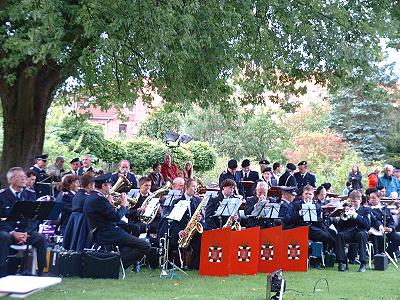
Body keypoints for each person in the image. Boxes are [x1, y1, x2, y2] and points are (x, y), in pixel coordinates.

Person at [83, 173, 151, 269]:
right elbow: (116, 217)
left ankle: (117, 262)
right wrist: (123, 205)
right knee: (145, 246)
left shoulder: (93, 196)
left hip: (104, 230)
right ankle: (116, 265)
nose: (111, 186)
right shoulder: (100, 199)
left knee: (133, 233)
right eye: (109, 185)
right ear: (103, 186)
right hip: (108, 233)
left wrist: (111, 204)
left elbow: (107, 215)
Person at [0, 167, 47, 277]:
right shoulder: (2, 196)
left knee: (40, 238)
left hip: (25, 232)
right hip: (8, 232)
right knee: (4, 237)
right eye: (21, 177)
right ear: (11, 179)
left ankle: (41, 272)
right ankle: (2, 272)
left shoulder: (30, 195)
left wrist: (26, 232)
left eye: (25, 177)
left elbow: (33, 218)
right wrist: (13, 232)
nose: (24, 179)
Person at [168, 178, 203, 270]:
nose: (195, 189)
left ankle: (195, 265)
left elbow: (202, 216)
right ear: (186, 187)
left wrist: (200, 218)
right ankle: (181, 263)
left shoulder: (198, 200)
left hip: (192, 230)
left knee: (202, 236)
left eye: (196, 187)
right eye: (193, 187)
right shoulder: (177, 201)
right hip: (180, 230)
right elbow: (173, 221)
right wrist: (179, 231)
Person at [335, 190, 370, 272]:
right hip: (349, 232)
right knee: (339, 235)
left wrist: (356, 215)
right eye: (351, 201)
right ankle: (341, 263)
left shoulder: (366, 210)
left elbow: (367, 224)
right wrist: (344, 217)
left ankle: (363, 263)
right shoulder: (346, 209)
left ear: (360, 201)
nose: (353, 203)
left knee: (362, 235)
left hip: (360, 231)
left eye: (355, 201)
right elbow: (340, 225)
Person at [293, 185, 335, 250]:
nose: (308, 195)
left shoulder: (317, 206)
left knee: (328, 234)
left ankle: (322, 254)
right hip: (300, 228)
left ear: (313, 195)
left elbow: (320, 221)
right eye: (306, 193)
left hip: (313, 228)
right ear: (303, 194)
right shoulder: (296, 204)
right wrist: (299, 213)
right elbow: (292, 219)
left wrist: (313, 216)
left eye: (310, 194)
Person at [62, 174, 94, 251]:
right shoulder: (67, 196)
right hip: (68, 225)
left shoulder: (76, 195)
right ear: (69, 184)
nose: (78, 185)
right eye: (76, 182)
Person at [367, 188, 400, 256]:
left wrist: (391, 228)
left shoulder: (385, 208)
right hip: (374, 231)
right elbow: (372, 221)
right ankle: (379, 256)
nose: (371, 200)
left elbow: (391, 220)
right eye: (370, 198)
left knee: (398, 238)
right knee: (380, 237)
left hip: (387, 230)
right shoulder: (368, 209)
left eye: (374, 198)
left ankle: (386, 255)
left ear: (379, 198)